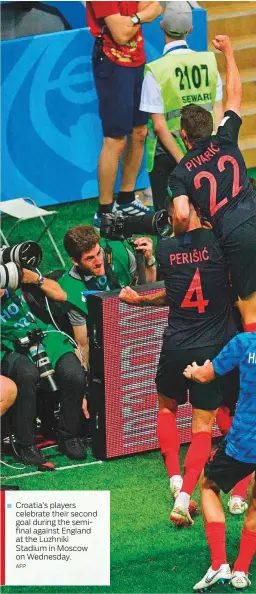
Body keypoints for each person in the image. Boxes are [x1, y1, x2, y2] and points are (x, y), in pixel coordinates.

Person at [119, 201, 239, 527]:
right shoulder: (221, 246)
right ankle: (185, 496)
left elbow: (173, 293)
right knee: (204, 427)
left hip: (177, 345)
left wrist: (138, 300)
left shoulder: (167, 248)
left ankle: (174, 476)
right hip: (214, 347)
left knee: (166, 408)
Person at [167, 35, 256, 325]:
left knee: (247, 303)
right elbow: (234, 96)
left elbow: (181, 213)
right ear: (210, 126)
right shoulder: (226, 137)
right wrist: (229, 52)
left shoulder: (180, 173)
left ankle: (250, 364)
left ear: (184, 135)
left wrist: (177, 233)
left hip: (233, 235)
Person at [184, 328, 256, 591]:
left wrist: (193, 372)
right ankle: (241, 571)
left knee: (208, 485)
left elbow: (205, 375)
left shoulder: (245, 342)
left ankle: (219, 565)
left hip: (245, 441)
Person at [139, 1, 223, 212]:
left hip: (167, 157)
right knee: (206, 214)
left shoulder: (155, 70)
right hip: (205, 152)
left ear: (161, 25)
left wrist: (184, 161)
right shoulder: (209, 61)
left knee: (169, 219)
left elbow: (159, 126)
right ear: (191, 29)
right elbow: (218, 112)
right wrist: (205, 154)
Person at [1, 268, 89, 466]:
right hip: (6, 345)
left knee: (74, 375)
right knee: (26, 373)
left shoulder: (15, 274)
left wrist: (35, 278)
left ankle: (68, 436)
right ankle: (26, 443)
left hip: (44, 335)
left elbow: (60, 294)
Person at [86, 1, 162, 227]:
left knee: (140, 132)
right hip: (111, 63)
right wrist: (140, 17)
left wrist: (134, 18)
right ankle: (105, 211)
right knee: (116, 139)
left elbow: (156, 7)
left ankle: (126, 199)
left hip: (138, 60)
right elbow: (120, 34)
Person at [59, 225, 156, 364]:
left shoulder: (119, 252)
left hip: (136, 321)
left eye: (99, 253)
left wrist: (148, 260)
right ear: (75, 261)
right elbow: (83, 344)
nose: (99, 262)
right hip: (105, 340)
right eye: (90, 258)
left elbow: (146, 288)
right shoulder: (71, 289)